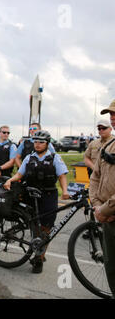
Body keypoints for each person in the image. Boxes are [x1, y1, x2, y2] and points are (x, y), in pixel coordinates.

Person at [4, 130, 70, 274]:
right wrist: (10, 179)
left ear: (47, 144)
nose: (38, 144)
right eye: (36, 142)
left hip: (48, 195)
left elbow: (62, 176)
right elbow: (20, 174)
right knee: (34, 226)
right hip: (31, 195)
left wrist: (65, 191)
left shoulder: (54, 158)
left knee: (46, 228)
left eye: (41, 142)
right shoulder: (29, 158)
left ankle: (39, 257)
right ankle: (37, 253)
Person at [89, 100, 115, 298]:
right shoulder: (109, 146)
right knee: (111, 267)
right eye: (111, 114)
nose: (112, 118)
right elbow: (95, 176)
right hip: (108, 220)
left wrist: (105, 210)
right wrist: (97, 207)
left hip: (110, 214)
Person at [0, 125, 17, 190]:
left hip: (5, 175)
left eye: (8, 133)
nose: (6, 134)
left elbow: (12, 161)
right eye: (4, 132)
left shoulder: (12, 146)